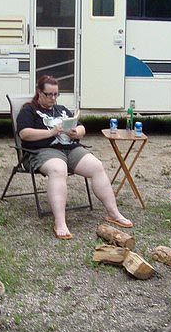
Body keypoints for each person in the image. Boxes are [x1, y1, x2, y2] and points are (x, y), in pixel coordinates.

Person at [17, 75, 133, 239]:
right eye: (49, 94)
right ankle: (60, 222)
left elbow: (81, 129)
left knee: (96, 166)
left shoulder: (62, 109)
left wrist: (75, 132)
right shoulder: (28, 110)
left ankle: (114, 213)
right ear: (39, 92)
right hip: (42, 150)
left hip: (70, 148)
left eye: (56, 94)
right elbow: (24, 134)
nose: (53, 98)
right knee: (58, 169)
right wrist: (51, 132)